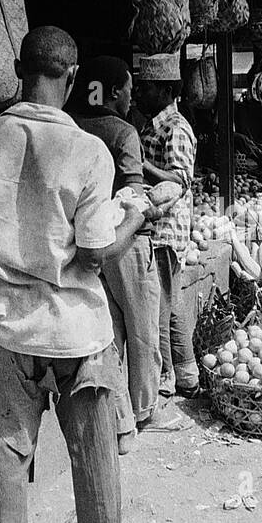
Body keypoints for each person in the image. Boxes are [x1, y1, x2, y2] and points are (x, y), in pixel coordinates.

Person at [0, 26, 162, 523]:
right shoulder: (89, 153)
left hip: (5, 332)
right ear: (70, 80)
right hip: (76, 332)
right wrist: (138, 215)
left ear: (18, 69)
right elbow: (96, 255)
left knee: (10, 455)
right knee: (92, 443)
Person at [66, 56, 181, 451]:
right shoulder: (123, 132)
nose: (133, 95)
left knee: (109, 333)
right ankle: (147, 410)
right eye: (130, 87)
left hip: (86, 245)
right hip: (128, 243)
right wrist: (155, 204)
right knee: (143, 329)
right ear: (115, 91)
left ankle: (119, 418)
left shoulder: (73, 126)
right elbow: (132, 195)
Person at [135, 53, 200, 397]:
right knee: (170, 306)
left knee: (158, 308)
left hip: (165, 231)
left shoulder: (175, 129)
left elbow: (180, 180)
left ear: (163, 90)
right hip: (159, 230)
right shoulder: (155, 124)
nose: (138, 94)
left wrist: (140, 164)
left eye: (144, 88)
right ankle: (188, 378)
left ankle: (165, 381)